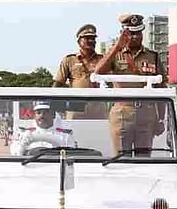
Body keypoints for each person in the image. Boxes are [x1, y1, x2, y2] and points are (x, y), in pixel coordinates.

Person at [96, 14, 166, 153]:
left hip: (146, 114)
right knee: (122, 159)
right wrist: (117, 46)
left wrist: (161, 119)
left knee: (144, 159)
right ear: (124, 33)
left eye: (139, 33)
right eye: (131, 33)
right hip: (122, 112)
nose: (136, 37)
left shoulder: (153, 56)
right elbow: (98, 72)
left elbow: (161, 88)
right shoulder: (115, 54)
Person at [53, 23, 102, 87]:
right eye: (87, 38)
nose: (91, 41)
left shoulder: (102, 59)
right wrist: (51, 96)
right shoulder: (69, 60)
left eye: (93, 38)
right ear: (79, 41)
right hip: (76, 96)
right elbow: (59, 82)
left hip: (99, 96)